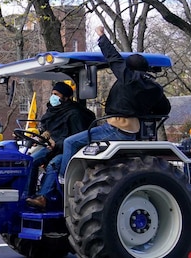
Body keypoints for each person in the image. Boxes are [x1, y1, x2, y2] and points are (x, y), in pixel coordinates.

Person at [58, 25, 171, 183]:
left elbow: (114, 58)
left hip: (116, 128)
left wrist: (102, 37)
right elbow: (164, 109)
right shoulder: (155, 88)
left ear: (129, 67)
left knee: (70, 142)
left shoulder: (128, 78)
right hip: (133, 130)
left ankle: (63, 179)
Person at [25, 82, 91, 199]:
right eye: (52, 94)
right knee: (30, 160)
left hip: (66, 151)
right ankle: (27, 195)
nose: (53, 97)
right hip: (50, 147)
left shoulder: (75, 114)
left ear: (65, 97)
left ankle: (43, 198)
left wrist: (56, 143)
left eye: (56, 94)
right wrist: (43, 135)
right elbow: (49, 129)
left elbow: (77, 138)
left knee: (53, 165)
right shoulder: (52, 112)